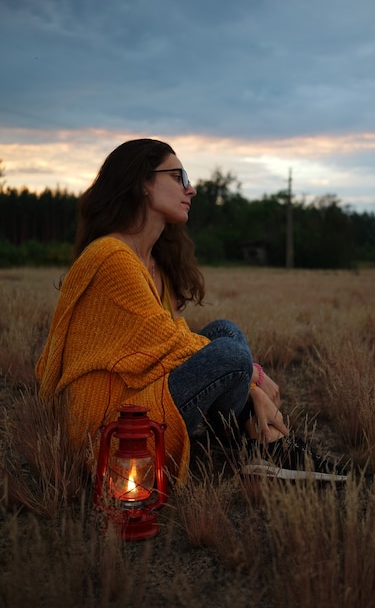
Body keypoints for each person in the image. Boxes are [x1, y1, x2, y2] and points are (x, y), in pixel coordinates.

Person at [36, 138, 347, 485]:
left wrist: (246, 376)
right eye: (179, 176)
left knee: (224, 332)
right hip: (113, 423)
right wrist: (254, 381)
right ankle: (268, 445)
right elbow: (169, 344)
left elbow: (175, 342)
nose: (192, 189)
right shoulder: (112, 257)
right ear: (143, 183)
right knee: (230, 354)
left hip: (141, 393)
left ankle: (258, 446)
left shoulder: (152, 262)